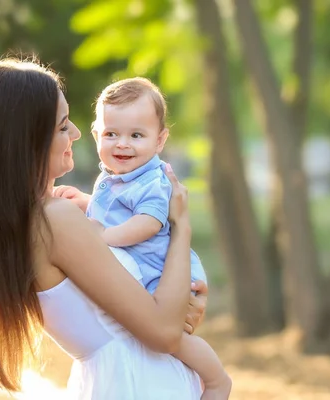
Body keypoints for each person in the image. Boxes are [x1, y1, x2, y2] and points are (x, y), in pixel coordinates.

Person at [0, 58, 210, 400]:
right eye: (63, 125)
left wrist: (180, 303)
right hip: (135, 385)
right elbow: (165, 333)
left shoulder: (33, 220)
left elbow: (154, 319)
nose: (78, 134)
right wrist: (180, 224)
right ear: (27, 140)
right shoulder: (56, 221)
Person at [54, 77, 231, 399]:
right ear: (96, 135)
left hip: (158, 265)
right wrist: (85, 204)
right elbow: (116, 212)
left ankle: (217, 380)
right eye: (111, 134)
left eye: (137, 135)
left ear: (160, 140)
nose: (123, 144)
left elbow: (148, 222)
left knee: (175, 338)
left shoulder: (153, 180)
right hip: (144, 267)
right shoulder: (114, 178)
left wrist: (103, 235)